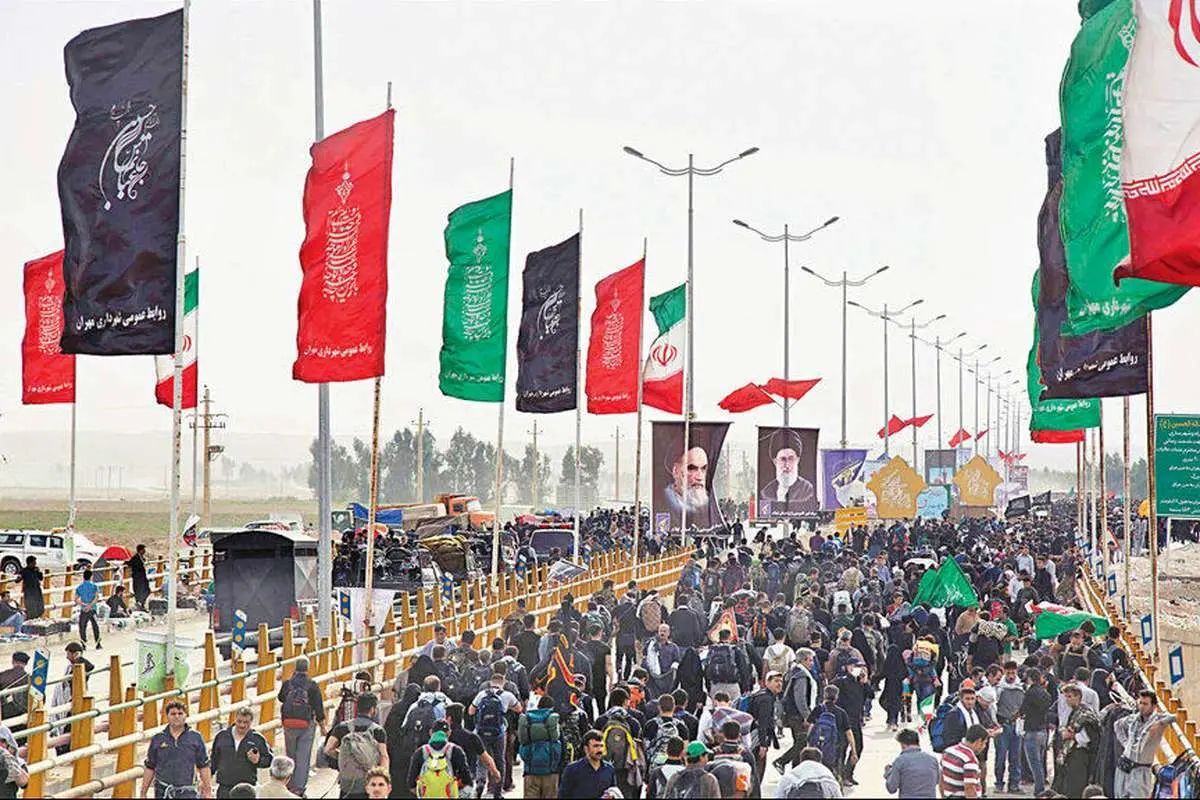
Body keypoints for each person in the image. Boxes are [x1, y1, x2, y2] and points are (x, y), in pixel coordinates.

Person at [140, 700, 213, 799]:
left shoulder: (195, 737)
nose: (177, 716)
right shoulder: (158, 738)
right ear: (167, 716)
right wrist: (143, 793)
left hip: (187, 792)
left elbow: (204, 765)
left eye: (180, 713)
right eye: (173, 714)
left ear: (186, 715)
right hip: (163, 791)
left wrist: (208, 792)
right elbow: (150, 766)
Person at [1113, 689, 1176, 799]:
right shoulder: (1133, 719)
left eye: (1145, 704)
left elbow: (1175, 716)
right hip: (1124, 766)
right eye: (1140, 703)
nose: (1142, 706)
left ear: (1153, 706)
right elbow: (1117, 725)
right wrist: (1125, 743)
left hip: (1141, 769)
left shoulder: (1158, 719)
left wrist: (1159, 724)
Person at [323, 692, 388, 798]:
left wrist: (344, 756)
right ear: (373, 709)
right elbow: (384, 756)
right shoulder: (378, 731)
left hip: (348, 785)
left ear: (357, 707)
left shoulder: (342, 727)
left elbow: (328, 749)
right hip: (369, 784)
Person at [469, 673, 523, 800]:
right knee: (500, 760)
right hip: (499, 733)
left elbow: (471, 711)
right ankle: (498, 791)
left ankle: (481, 782)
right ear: (503, 682)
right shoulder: (507, 695)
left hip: (482, 732)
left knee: (482, 759)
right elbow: (519, 709)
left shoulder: (482, 694)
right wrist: (507, 707)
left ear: (490, 682)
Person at [278, 656, 327, 796]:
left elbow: (281, 697)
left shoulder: (288, 683)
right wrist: (322, 726)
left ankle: (289, 784)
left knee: (291, 755)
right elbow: (318, 707)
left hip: (288, 723)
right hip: (306, 724)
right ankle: (299, 788)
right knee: (303, 757)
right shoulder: (312, 685)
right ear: (307, 668)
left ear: (296, 667)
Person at [774, 647, 820, 772]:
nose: (812, 663)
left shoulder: (792, 672)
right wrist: (807, 717)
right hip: (798, 715)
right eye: (810, 660)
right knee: (802, 742)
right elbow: (800, 699)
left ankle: (796, 769)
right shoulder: (801, 676)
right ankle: (781, 761)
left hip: (792, 713)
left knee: (799, 743)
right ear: (803, 660)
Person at [211, 707, 273, 798]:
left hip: (246, 789)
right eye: (239, 721)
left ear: (251, 722)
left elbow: (269, 759)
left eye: (246, 722)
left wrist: (258, 760)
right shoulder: (222, 736)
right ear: (235, 719)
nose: (242, 725)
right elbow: (213, 759)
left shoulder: (257, 739)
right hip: (224, 787)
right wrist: (206, 779)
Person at [1052, 683, 1100, 798]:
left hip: (1080, 755)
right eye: (1066, 697)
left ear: (1077, 696)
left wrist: (1072, 736)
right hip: (1071, 755)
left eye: (1069, 697)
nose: (1067, 700)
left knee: (1075, 789)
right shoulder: (1075, 711)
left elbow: (1089, 737)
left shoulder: (1086, 714)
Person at [758, 429, 818, 516]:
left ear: (797, 460)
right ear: (775, 461)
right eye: (783, 459)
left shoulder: (808, 490)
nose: (787, 465)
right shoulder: (766, 493)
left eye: (791, 459)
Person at [662, 445, 721, 529]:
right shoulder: (665, 501)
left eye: (703, 469)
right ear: (676, 471)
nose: (699, 477)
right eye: (692, 468)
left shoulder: (709, 504)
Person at [518, 695, 562, 799]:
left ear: (538, 706)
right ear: (552, 707)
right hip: (551, 771)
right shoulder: (553, 720)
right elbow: (561, 745)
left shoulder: (528, 719)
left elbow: (521, 742)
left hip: (530, 771)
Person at [407, 728, 472, 797]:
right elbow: (466, 779)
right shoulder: (456, 750)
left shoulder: (420, 751)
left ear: (431, 732)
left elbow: (411, 783)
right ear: (448, 733)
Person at [1019, 667, 1053, 797]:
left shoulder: (1030, 693)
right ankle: (1041, 787)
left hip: (1032, 730)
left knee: (1034, 763)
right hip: (1043, 730)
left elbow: (1023, 710)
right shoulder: (1046, 693)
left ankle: (1039, 790)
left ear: (1030, 678)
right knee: (1040, 761)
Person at [558, 729, 617, 798]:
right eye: (595, 746)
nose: (599, 750)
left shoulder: (609, 769)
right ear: (586, 749)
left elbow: (614, 792)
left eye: (601, 746)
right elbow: (563, 795)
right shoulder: (572, 769)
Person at [884, 728, 939, 799]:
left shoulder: (900, 761)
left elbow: (891, 788)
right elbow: (937, 780)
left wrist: (888, 773)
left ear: (902, 744)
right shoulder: (932, 760)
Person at [939, 723, 988, 799]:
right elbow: (969, 789)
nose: (984, 747)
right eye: (984, 743)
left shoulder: (948, 751)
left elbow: (942, 780)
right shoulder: (969, 760)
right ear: (978, 741)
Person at [776, 745, 842, 798]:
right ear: (820, 761)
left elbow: (779, 795)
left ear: (801, 760)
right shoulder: (827, 776)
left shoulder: (789, 776)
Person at [0, 654, 28, 732]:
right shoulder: (30, 679)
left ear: (12, 661)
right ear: (26, 664)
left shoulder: (2, 676)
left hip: (4, 718)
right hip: (24, 719)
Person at [74, 568, 101, 648]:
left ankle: (83, 643)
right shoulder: (95, 586)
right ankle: (98, 643)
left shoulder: (79, 587)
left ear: (83, 577)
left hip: (84, 609)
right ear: (91, 576)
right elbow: (96, 598)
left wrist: (84, 605)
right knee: (95, 626)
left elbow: (76, 599)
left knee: (82, 626)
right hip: (92, 609)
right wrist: (90, 605)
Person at [16, 557, 43, 621]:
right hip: (29, 592)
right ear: (30, 563)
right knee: (30, 606)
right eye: (34, 562)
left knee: (39, 606)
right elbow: (17, 580)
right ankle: (31, 620)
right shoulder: (24, 571)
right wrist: (19, 576)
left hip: (37, 590)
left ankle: (38, 618)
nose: (35, 564)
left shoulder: (36, 570)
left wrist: (38, 572)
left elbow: (41, 578)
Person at [129, 544, 151, 610]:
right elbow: (130, 563)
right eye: (143, 549)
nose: (144, 551)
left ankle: (142, 603)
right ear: (140, 550)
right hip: (138, 578)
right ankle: (139, 604)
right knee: (139, 591)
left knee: (147, 590)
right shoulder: (135, 558)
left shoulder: (142, 558)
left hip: (143, 577)